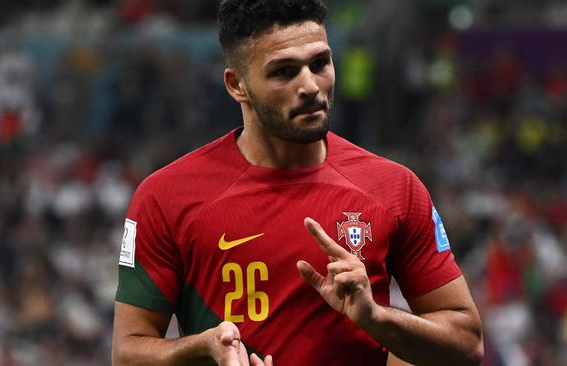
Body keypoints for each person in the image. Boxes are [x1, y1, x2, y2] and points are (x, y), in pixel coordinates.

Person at [111, 0, 484, 365]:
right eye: (284, 72)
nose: (310, 85)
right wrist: (201, 349)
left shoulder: (395, 188)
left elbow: (467, 344)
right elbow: (127, 354)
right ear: (237, 84)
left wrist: (375, 317)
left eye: (320, 63)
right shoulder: (166, 197)